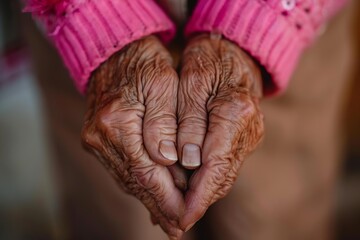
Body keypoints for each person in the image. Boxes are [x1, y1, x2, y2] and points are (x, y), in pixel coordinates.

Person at [23, 0, 351, 239]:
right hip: (74, 42)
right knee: (118, 220)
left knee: (277, 216)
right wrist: (94, 19)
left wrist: (266, 16)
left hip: (298, 40)